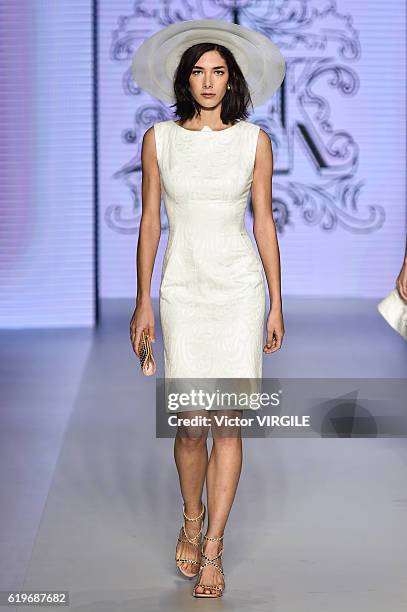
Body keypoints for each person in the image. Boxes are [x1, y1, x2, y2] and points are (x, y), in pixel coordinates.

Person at [130, 19, 285, 598]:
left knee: (227, 424)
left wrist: (275, 300)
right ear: (184, 78)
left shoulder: (254, 141)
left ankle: (214, 545)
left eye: (219, 71)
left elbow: (264, 222)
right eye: (198, 70)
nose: (209, 80)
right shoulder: (159, 140)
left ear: (233, 79)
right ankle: (190, 518)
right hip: (183, 289)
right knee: (191, 426)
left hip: (239, 289)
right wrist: (142, 302)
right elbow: (150, 223)